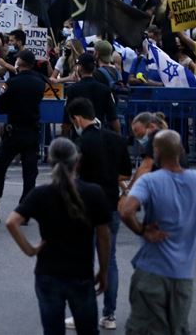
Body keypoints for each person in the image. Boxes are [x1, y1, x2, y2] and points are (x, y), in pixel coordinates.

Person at [6, 138, 111, 335]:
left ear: (49, 159)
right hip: (80, 272)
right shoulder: (93, 193)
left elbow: (12, 222)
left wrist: (30, 250)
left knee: (52, 330)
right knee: (88, 330)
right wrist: (103, 270)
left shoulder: (40, 194)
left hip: (48, 272)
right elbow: (103, 235)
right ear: (77, 161)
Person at [119, 130, 196, 335]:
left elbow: (126, 210)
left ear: (156, 152)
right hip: (183, 277)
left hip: (152, 272)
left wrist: (141, 230)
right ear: (182, 150)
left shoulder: (150, 181)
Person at [67, 98, 132, 330]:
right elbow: (125, 172)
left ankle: (81, 312)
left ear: (76, 118)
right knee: (110, 259)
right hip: (110, 204)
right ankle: (110, 314)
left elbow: (73, 176)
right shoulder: (116, 139)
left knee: (84, 260)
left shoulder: (80, 143)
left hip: (86, 206)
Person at [0, 50, 45, 223]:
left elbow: (1, 107)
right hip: (32, 131)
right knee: (30, 173)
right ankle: (25, 213)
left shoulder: (14, 83)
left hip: (14, 131)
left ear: (20, 62)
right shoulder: (39, 82)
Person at [65, 54, 120, 133]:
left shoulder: (72, 90)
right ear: (94, 68)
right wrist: (118, 136)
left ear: (80, 68)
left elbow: (67, 118)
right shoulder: (105, 89)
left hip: (78, 136)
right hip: (100, 135)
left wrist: (64, 136)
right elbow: (113, 118)